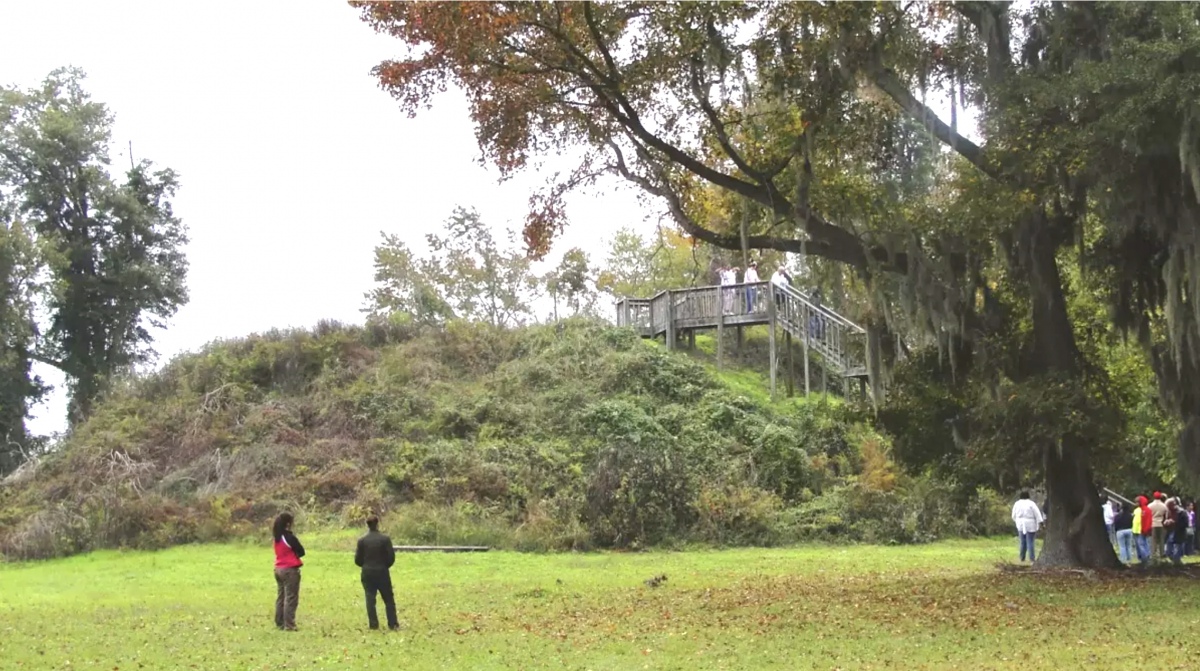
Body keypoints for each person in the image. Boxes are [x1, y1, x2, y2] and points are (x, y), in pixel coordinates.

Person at [355, 514, 399, 631]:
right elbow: (391, 557)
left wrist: (365, 565)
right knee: (388, 598)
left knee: (370, 598)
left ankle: (373, 624)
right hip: (382, 571)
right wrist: (384, 565)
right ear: (377, 523)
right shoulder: (385, 539)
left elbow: (357, 560)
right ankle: (392, 623)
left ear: (367, 525)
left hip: (367, 572)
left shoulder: (362, 541)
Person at [272, 512, 305, 631]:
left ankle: (279, 621)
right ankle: (289, 625)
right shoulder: (290, 537)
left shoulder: (277, 537)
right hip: (289, 570)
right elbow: (301, 551)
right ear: (288, 523)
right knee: (291, 598)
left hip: (278, 569)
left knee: (281, 597)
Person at [1011, 491, 1044, 562]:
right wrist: (1041, 523)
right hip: (1030, 524)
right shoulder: (1031, 504)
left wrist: (1017, 521)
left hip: (1020, 524)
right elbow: (1037, 513)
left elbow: (1013, 515)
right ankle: (1032, 558)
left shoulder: (1017, 504)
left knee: (1022, 541)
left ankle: (1022, 557)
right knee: (1030, 541)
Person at [1149, 491, 1169, 559]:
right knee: (1161, 540)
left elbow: (1148, 515)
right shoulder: (1164, 506)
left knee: (1153, 540)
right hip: (1161, 524)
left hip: (1153, 524)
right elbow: (1166, 516)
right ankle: (1162, 553)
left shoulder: (1150, 505)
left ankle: (1153, 554)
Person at [1135, 494, 1153, 566]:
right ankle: (1146, 556)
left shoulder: (1144, 510)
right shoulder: (1142, 510)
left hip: (1142, 530)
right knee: (1144, 543)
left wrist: (1145, 529)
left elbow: (1147, 521)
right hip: (1141, 529)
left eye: (1137, 502)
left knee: (1141, 544)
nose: (1136, 504)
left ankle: (1145, 557)